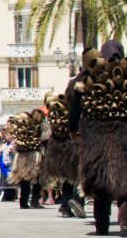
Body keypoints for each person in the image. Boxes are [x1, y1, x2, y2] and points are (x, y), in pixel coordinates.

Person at [68, 41, 127, 237]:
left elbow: (74, 100)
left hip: (95, 133)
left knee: (101, 180)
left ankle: (102, 225)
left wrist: (73, 127)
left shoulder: (87, 74)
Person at [42, 90, 85, 219]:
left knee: (67, 178)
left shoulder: (54, 114)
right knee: (78, 176)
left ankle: (66, 206)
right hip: (73, 146)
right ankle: (76, 201)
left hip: (60, 148)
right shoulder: (73, 111)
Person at [7, 110, 46, 210]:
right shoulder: (39, 126)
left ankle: (23, 202)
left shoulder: (22, 127)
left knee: (24, 179)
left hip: (21, 155)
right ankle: (34, 201)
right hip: (35, 155)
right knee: (37, 179)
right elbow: (45, 139)